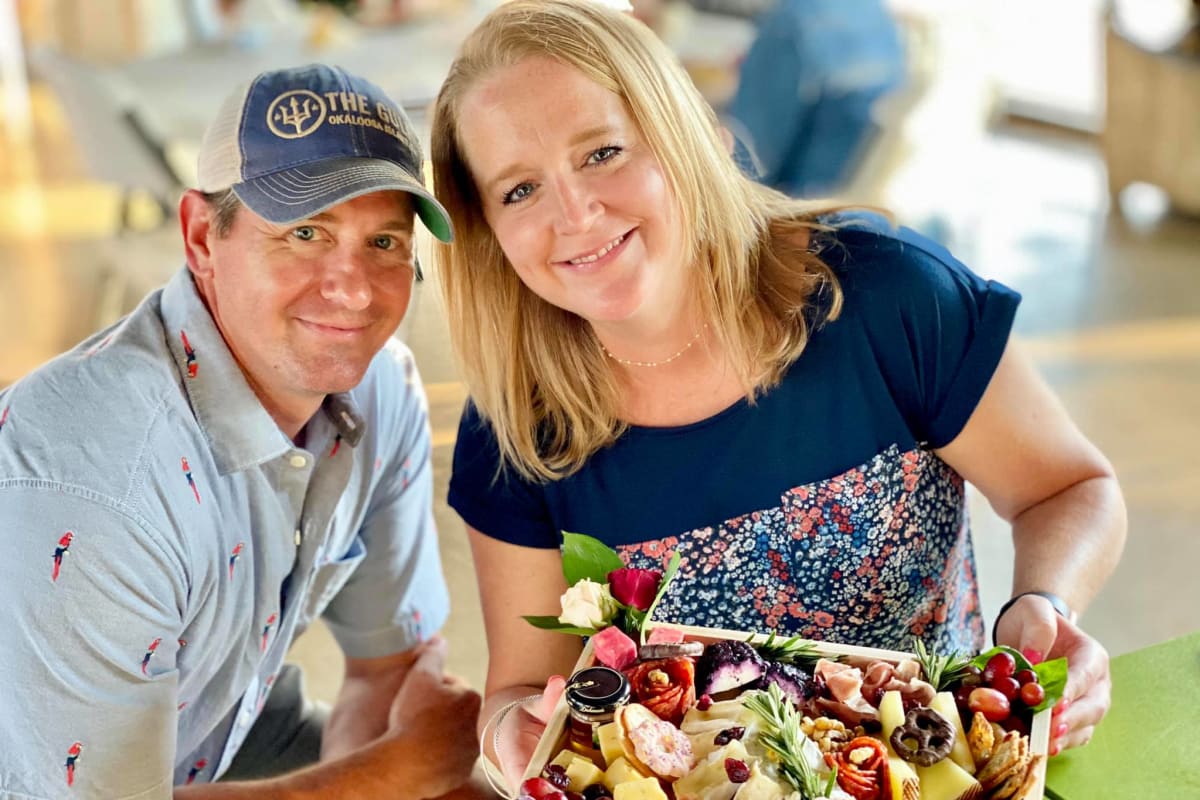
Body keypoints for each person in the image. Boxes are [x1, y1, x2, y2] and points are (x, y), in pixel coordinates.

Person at [428, 0, 1126, 786]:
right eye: (519, 190)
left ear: (678, 134)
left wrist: (1048, 605)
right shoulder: (515, 427)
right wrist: (513, 734)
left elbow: (1069, 488)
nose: (575, 213)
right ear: (487, 229)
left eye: (601, 153)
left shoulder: (884, 299)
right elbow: (520, 692)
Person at [0, 63, 482, 797]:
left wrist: (394, 774)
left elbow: (389, 678)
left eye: (384, 242)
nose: (352, 288)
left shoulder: (379, 390)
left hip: (216, 726)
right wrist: (390, 775)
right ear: (200, 236)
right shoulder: (95, 486)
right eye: (306, 232)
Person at [725, 0, 907, 196]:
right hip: (831, 200)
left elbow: (751, 159)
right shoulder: (878, 19)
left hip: (776, 206)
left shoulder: (791, 25)